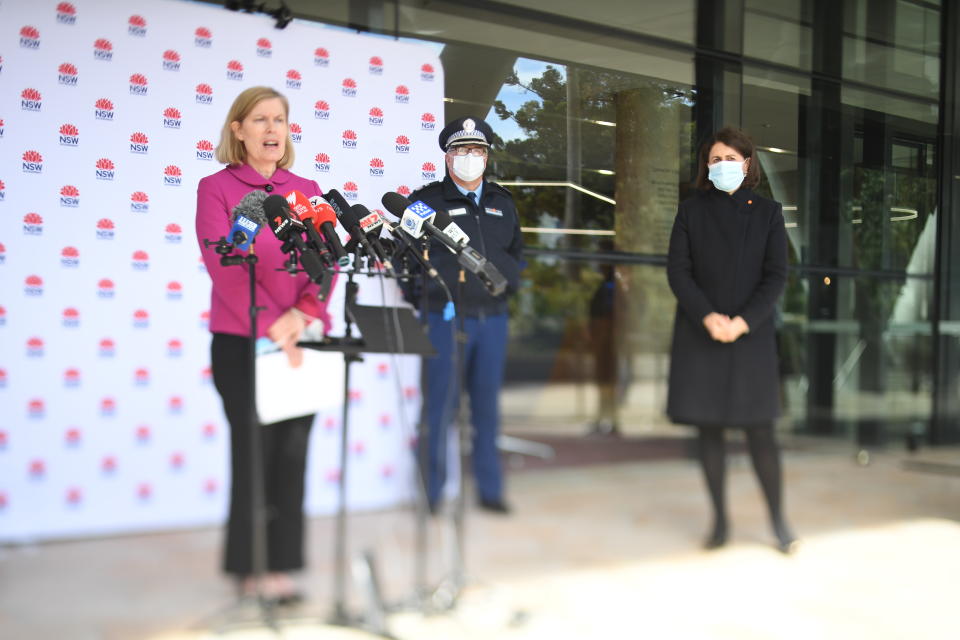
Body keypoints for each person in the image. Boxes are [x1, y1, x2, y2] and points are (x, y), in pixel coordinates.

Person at [196, 86, 331, 601]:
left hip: (302, 337)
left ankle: (281, 566)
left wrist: (304, 313)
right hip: (242, 340)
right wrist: (277, 325)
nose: (272, 129)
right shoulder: (218, 188)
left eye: (280, 119)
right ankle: (248, 566)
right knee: (253, 453)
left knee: (293, 455)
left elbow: (328, 259)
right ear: (238, 130)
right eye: (260, 120)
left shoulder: (306, 187)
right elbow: (223, 264)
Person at [665, 126, 797, 554]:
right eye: (715, 159)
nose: (722, 165)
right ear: (707, 166)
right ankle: (720, 520)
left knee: (761, 432)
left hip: (750, 336)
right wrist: (708, 317)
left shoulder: (768, 212)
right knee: (709, 431)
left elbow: (776, 276)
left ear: (748, 163)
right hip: (700, 332)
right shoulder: (690, 210)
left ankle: (778, 521)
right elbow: (678, 271)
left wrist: (742, 322)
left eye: (730, 158)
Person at [408, 116, 524, 514]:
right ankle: (432, 493)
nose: (469, 157)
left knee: (487, 409)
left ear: (487, 157)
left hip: (492, 319)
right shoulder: (425, 203)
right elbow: (406, 261)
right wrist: (427, 301)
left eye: (476, 150)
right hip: (445, 319)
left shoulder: (502, 203)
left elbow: (515, 254)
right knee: (438, 408)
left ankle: (490, 491)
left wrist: (509, 286)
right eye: (460, 150)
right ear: (447, 156)